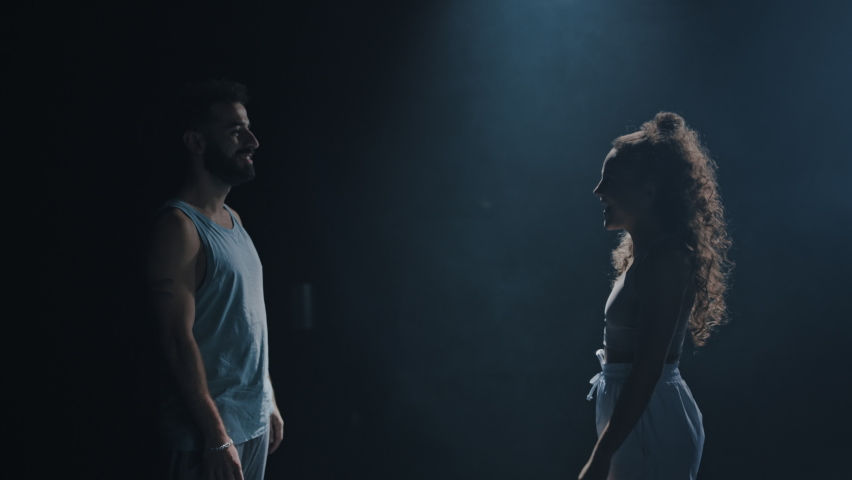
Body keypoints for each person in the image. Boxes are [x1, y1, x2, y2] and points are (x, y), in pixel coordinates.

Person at [579, 112, 732, 480]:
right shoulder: (645, 254)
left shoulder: (665, 259)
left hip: (649, 419)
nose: (598, 190)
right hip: (638, 417)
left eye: (610, 180)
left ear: (648, 188)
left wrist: (600, 458)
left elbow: (646, 371)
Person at [146, 79, 284, 480]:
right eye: (235, 131)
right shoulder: (178, 226)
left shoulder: (234, 220)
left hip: (251, 425)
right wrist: (216, 437)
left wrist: (268, 397)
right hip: (208, 439)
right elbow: (176, 339)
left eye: (249, 128)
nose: (252, 141)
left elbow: (245, 323)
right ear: (196, 142)